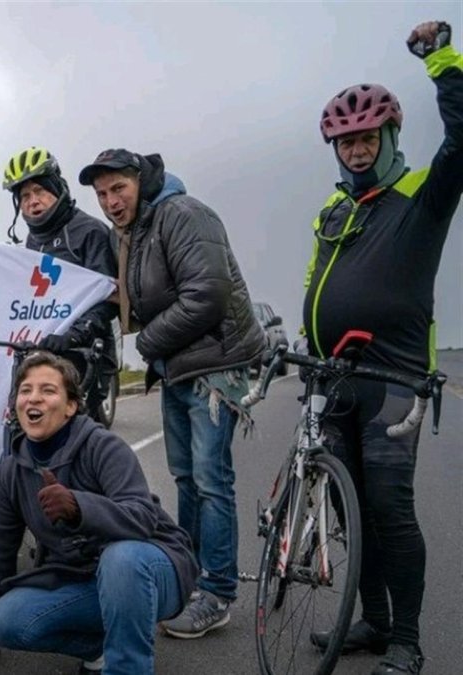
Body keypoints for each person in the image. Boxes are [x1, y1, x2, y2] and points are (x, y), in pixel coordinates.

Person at [302, 21, 460, 675]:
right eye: (347, 141)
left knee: (390, 508)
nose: (358, 148)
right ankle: (373, 619)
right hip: (334, 378)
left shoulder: (421, 195)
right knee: (351, 509)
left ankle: (407, 640)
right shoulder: (334, 211)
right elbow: (316, 285)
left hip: (394, 378)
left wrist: (441, 60)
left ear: (390, 137)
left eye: (369, 136)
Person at [78, 147, 265, 639]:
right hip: (179, 367)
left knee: (210, 480)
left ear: (141, 181)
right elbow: (138, 297)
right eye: (102, 194)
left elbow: (207, 295)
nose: (111, 201)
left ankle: (218, 592)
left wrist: (147, 343)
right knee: (186, 478)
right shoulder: (133, 232)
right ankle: (191, 576)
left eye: (119, 188)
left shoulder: (182, 213)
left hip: (215, 367)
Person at [0, 351, 198, 674]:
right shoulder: (12, 470)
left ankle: (127, 667)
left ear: (70, 406)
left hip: (153, 571)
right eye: (25, 390)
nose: (33, 398)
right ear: (16, 405)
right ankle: (99, 649)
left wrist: (79, 507)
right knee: (4, 621)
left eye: (48, 390)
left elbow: (142, 518)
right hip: (85, 579)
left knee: (120, 559)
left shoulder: (103, 447)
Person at [1, 147, 119, 411]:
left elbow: (108, 298)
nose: (33, 201)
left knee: (77, 430)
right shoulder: (32, 241)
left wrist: (74, 335)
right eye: (25, 196)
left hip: (86, 355)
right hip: (42, 357)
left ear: (57, 188)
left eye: (39, 191)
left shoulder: (90, 231)